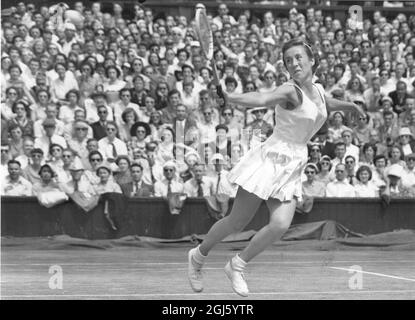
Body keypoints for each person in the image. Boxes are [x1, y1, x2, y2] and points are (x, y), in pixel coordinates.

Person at [187, 39, 365, 297]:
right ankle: (198, 256)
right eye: (288, 60)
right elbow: (263, 97)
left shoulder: (316, 88)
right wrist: (230, 97)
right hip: (272, 157)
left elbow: (324, 103)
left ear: (312, 60)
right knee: (237, 221)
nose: (293, 63)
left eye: (298, 57)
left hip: (294, 162)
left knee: (280, 224)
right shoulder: (289, 91)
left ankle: (236, 265)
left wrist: (350, 106)